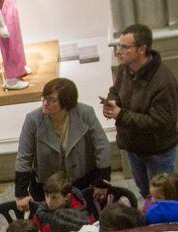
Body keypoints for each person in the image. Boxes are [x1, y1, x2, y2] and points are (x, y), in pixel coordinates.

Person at [102, 23, 178, 188]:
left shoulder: (164, 83)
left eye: (125, 47)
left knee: (162, 197)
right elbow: (115, 90)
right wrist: (112, 101)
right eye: (118, 45)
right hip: (134, 147)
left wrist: (120, 115)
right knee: (145, 190)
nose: (118, 51)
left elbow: (161, 123)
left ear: (141, 49)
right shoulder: (126, 68)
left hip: (157, 151)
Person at [13, 77, 110, 210]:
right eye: (44, 98)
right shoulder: (33, 120)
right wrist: (21, 194)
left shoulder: (85, 113)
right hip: (47, 187)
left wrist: (102, 182)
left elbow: (102, 146)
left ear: (66, 103)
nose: (45, 103)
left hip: (82, 181)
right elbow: (24, 156)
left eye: (52, 100)